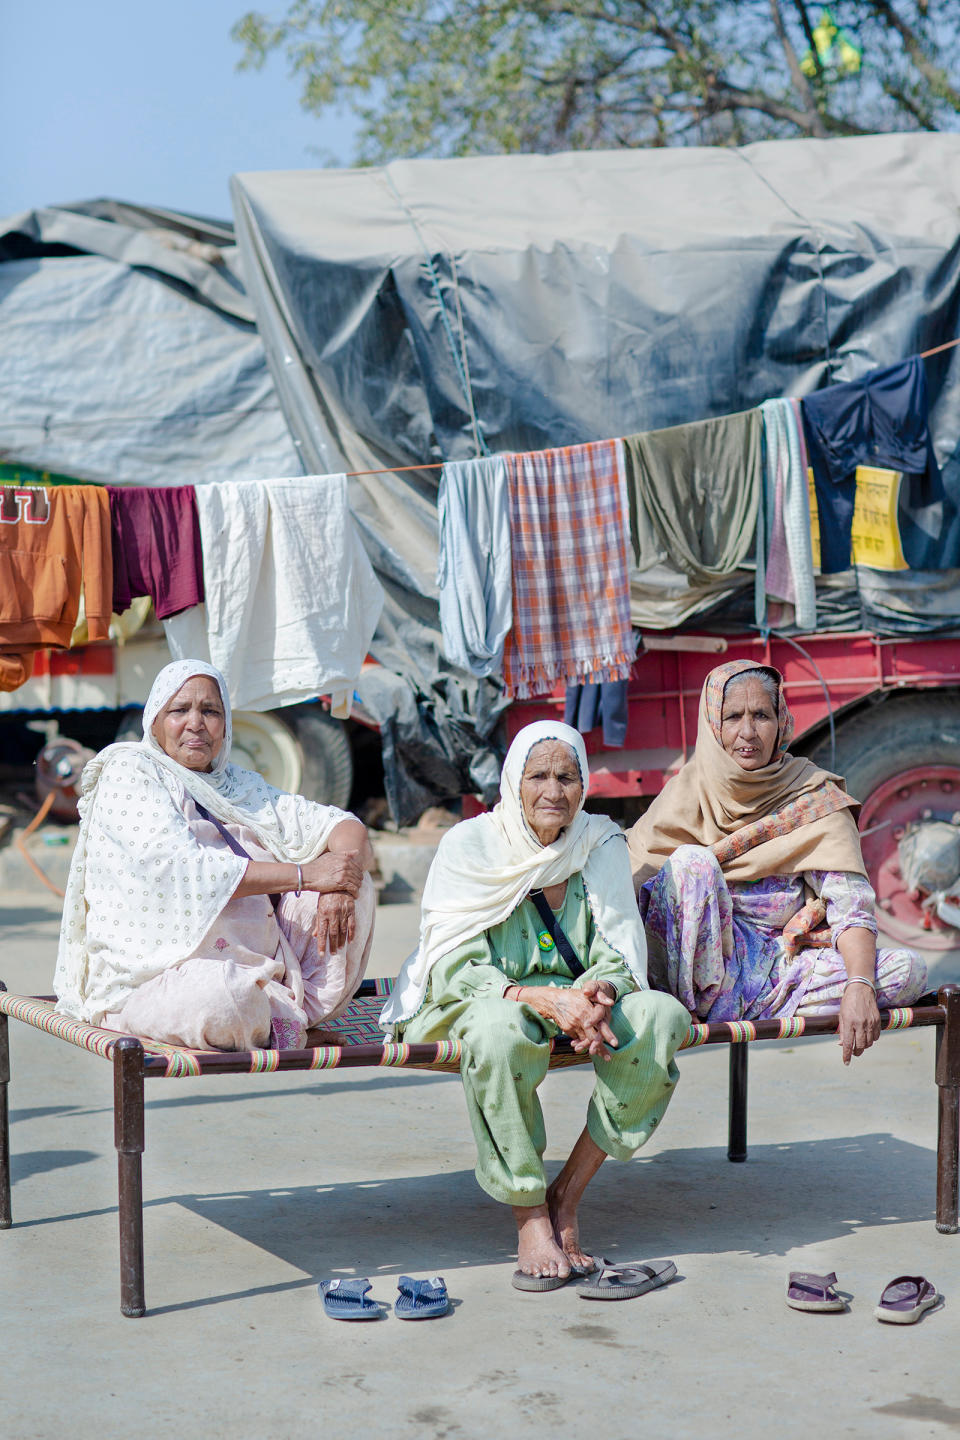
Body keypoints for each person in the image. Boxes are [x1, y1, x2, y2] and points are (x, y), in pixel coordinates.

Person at [380, 721, 691, 1289]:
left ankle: (566, 1196)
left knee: (661, 1017)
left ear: (585, 784)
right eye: (539, 776)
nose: (554, 791)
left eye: (568, 777)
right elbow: (454, 966)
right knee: (500, 1031)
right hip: (477, 999)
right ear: (512, 782)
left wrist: (598, 995)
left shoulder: (600, 841)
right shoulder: (470, 845)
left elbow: (619, 949)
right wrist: (543, 999)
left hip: (578, 998)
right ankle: (529, 1214)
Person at [55, 660, 376, 1051]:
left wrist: (339, 884)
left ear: (225, 725)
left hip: (265, 968)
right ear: (154, 721)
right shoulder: (131, 770)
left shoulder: (237, 784)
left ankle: (284, 1016)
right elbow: (184, 870)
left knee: (357, 883)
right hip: (158, 978)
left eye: (210, 711)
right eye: (179, 711)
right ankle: (272, 1020)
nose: (196, 723)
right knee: (223, 1000)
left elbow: (342, 826)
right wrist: (306, 875)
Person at [628, 660, 927, 1063]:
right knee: (691, 864)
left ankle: (745, 1008)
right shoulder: (684, 795)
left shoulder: (812, 795)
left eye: (761, 716)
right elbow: (628, 891)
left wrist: (859, 985)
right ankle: (689, 1009)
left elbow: (851, 909)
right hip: (692, 982)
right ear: (713, 724)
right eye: (733, 716)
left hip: (779, 972)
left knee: (908, 970)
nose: (747, 733)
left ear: (781, 721)